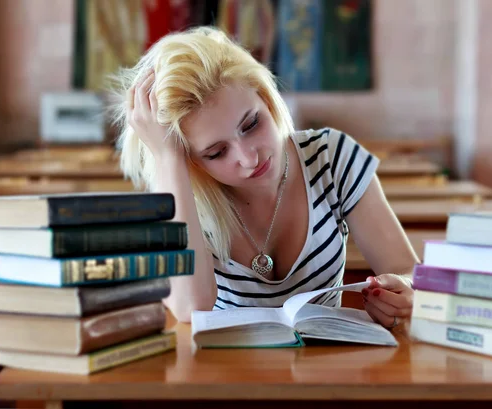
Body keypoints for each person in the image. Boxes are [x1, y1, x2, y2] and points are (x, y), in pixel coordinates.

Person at [110, 26, 418, 329]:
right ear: (191, 160)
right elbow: (189, 307)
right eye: (216, 152)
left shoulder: (331, 157)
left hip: (326, 367)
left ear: (266, 98)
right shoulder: (178, 193)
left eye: (251, 124)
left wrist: (404, 289)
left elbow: (407, 270)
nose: (249, 158)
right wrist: (168, 160)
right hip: (227, 373)